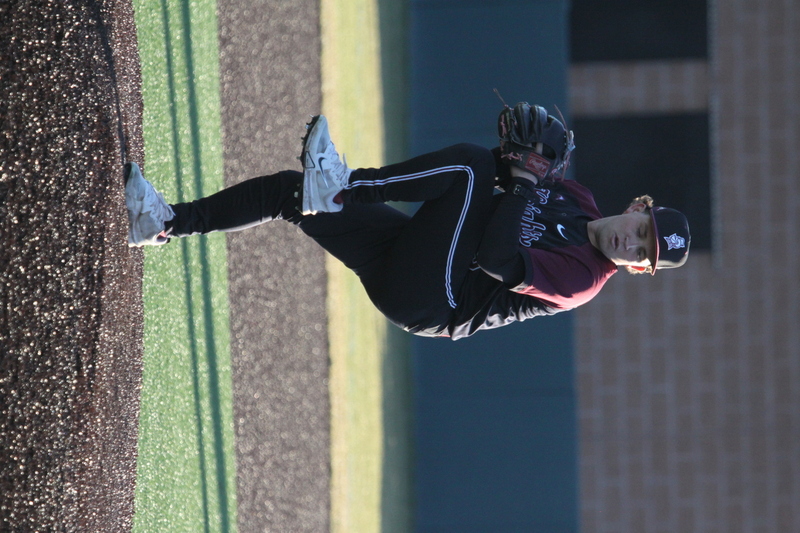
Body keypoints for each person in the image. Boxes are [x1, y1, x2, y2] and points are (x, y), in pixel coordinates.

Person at [124, 107, 690, 340]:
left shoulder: (582, 281)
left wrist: (518, 180)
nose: (633, 242)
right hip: (416, 253)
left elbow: (495, 258)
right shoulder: (579, 197)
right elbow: (502, 178)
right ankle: (163, 221)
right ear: (638, 208)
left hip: (434, 298)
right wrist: (515, 158)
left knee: (466, 167)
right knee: (289, 193)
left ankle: (345, 185)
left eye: (644, 252)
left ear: (640, 267)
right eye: (643, 229)